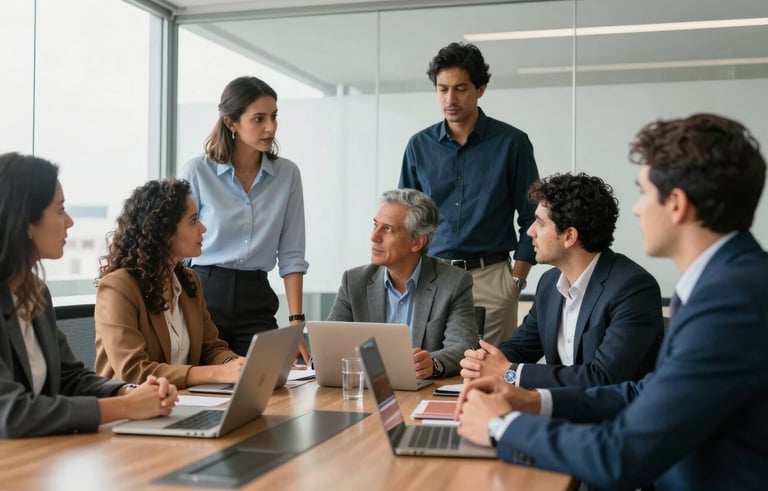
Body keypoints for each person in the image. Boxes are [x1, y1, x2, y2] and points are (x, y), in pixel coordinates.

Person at [455, 114, 768, 490]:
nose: (636, 209)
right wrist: (534, 403)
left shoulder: (729, 302)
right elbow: (646, 391)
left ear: (677, 205)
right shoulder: (725, 282)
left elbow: (621, 454)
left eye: (644, 192)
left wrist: (499, 426)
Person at [0, 153, 178, 438]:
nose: (69, 222)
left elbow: (70, 378)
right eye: (59, 210)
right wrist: (125, 407)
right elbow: (10, 412)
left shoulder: (35, 292)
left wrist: (128, 390)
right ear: (26, 223)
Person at [460, 173, 663, 389]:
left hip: (614, 418)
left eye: (539, 223)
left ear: (569, 236)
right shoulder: (549, 283)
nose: (530, 232)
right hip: (559, 410)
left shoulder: (633, 288)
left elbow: (602, 378)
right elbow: (520, 347)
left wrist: (509, 372)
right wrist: (483, 361)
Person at [399, 42, 539, 347]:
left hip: (491, 278)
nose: (450, 99)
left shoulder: (512, 143)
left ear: (481, 88)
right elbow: (407, 219)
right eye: (442, 89)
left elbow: (532, 215)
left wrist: (515, 280)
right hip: (432, 276)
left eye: (460, 88)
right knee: (427, 367)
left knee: (488, 372)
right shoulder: (418, 146)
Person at [181, 76, 310, 360]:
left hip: (257, 298)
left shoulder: (287, 175)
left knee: (267, 386)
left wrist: (296, 320)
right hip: (204, 293)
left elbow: (291, 253)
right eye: (259, 119)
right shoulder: (197, 172)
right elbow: (179, 247)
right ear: (231, 123)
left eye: (274, 117)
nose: (271, 127)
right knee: (203, 384)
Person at [95, 179, 244, 390]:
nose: (203, 228)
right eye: (193, 221)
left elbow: (210, 348)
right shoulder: (118, 287)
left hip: (182, 402)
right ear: (163, 231)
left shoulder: (189, 281)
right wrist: (215, 373)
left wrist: (234, 365)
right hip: (131, 410)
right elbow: (133, 370)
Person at [327, 189, 477, 378]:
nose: (374, 237)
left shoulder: (454, 282)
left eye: (388, 229)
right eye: (375, 225)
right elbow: (330, 343)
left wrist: (433, 363)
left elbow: (463, 346)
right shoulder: (354, 281)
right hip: (366, 390)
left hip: (422, 392)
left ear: (417, 242)